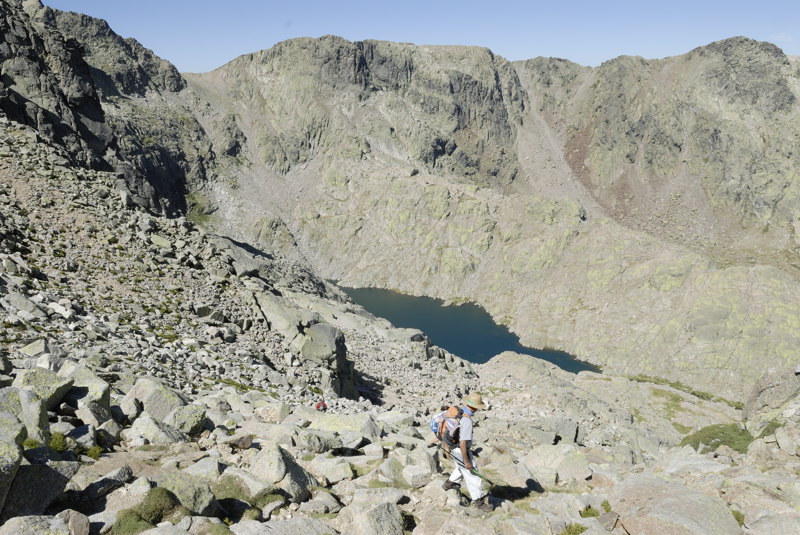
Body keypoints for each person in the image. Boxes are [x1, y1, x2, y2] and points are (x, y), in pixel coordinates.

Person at [442, 391, 492, 512]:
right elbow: (463, 443)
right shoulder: (467, 420)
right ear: (475, 408)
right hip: (460, 449)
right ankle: (479, 502)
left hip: (452, 447)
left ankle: (449, 483)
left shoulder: (457, 413)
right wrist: (467, 461)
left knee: (461, 467)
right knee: (473, 475)